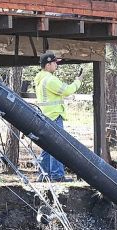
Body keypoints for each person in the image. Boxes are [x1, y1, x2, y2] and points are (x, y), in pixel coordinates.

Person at [35, 51, 83, 182]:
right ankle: (57, 175)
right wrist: (78, 82)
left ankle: (43, 175)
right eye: (55, 63)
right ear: (48, 64)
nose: (57, 65)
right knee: (58, 146)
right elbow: (67, 90)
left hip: (45, 116)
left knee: (47, 146)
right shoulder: (50, 79)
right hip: (54, 116)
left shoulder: (40, 79)